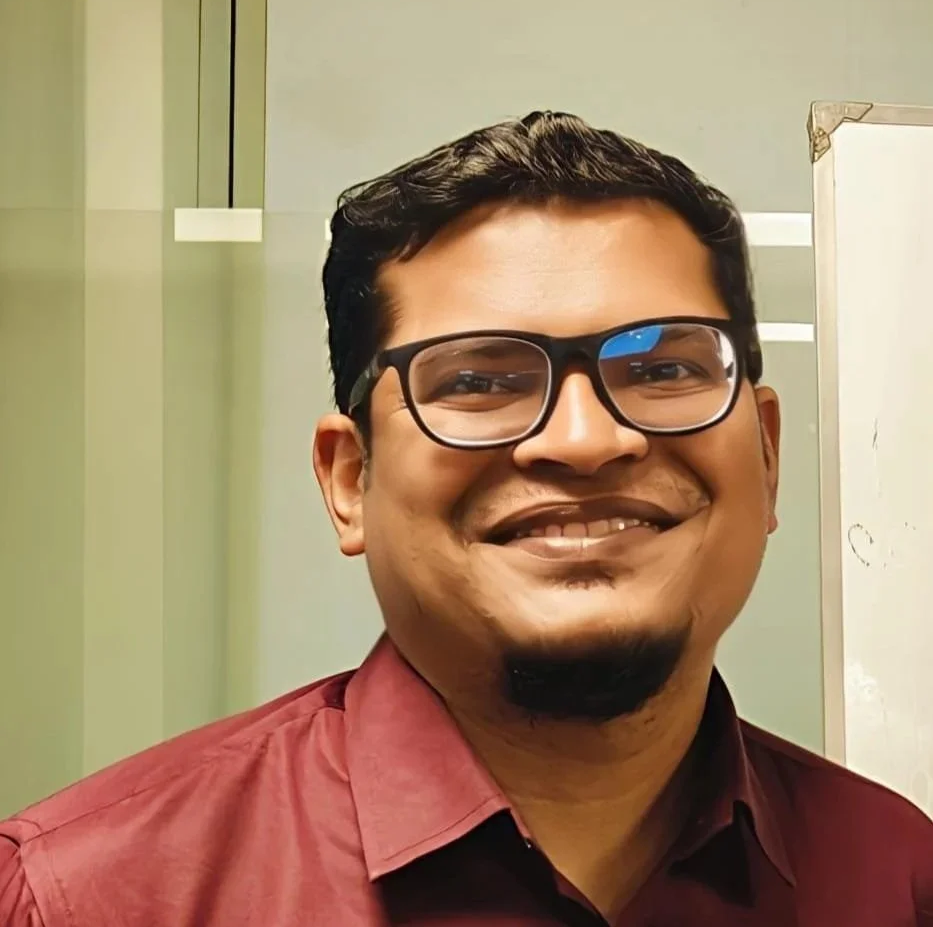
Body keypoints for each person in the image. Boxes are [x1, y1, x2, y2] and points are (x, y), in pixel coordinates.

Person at [2, 111, 932, 927]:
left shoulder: (896, 876)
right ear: (349, 479)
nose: (583, 440)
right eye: (480, 380)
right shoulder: (86, 896)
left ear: (766, 457)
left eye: (661, 370)